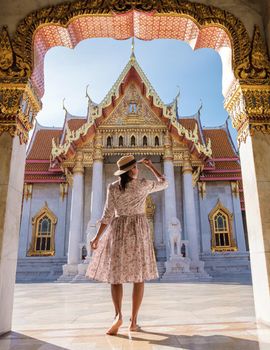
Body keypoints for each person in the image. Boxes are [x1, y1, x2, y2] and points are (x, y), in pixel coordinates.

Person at [85, 154, 168, 335]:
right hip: (138, 229)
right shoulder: (143, 184)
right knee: (139, 277)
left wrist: (97, 238)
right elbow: (164, 182)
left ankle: (117, 315)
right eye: (136, 167)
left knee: (115, 276)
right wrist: (151, 166)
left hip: (118, 229)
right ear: (132, 170)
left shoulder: (113, 187)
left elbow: (107, 215)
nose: (137, 170)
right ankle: (134, 322)